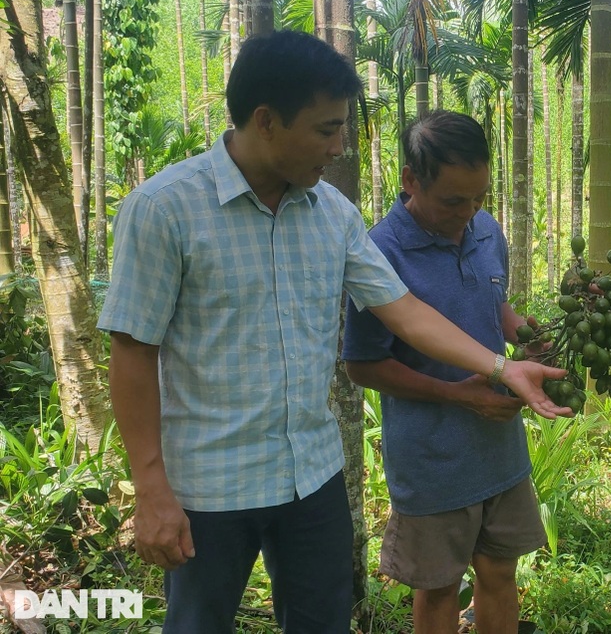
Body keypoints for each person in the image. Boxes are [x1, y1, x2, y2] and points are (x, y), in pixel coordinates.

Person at [98, 31, 569, 634]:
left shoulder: (333, 215)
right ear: (266, 121)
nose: (340, 144)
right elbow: (133, 351)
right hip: (208, 487)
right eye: (326, 129)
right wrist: (150, 487)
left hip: (312, 480)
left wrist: (502, 367)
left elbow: (404, 310)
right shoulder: (165, 209)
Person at [342, 110, 552, 634]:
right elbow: (364, 365)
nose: (470, 212)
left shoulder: (484, 229)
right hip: (431, 457)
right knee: (438, 588)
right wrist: (457, 394)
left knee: (501, 572)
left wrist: (532, 336)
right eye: (454, 201)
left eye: (479, 197)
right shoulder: (379, 253)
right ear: (411, 180)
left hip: (499, 447)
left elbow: (491, 306)